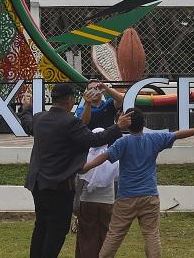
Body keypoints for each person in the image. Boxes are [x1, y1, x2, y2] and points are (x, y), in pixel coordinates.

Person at [18, 82, 132, 258]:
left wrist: (26, 108)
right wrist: (118, 127)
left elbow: (27, 123)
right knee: (56, 229)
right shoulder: (70, 122)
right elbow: (94, 139)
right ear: (70, 100)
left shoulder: (40, 118)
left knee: (41, 225)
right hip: (59, 186)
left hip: (38, 184)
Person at [81, 108, 194, 258]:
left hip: (126, 197)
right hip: (150, 196)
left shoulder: (122, 142)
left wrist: (86, 167)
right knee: (151, 235)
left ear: (127, 125)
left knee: (115, 234)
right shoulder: (154, 139)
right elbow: (177, 134)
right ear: (144, 122)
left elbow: (104, 156)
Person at [75, 128, 119, 258]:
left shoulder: (85, 157)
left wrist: (76, 203)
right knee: (106, 236)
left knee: (87, 236)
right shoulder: (113, 157)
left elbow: (80, 182)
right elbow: (117, 182)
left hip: (87, 202)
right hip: (108, 202)